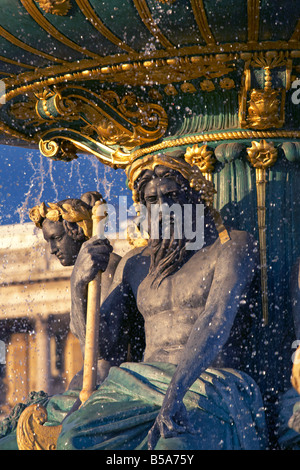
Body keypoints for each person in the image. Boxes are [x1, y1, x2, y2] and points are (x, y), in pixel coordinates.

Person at [54, 153, 267, 450]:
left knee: (172, 449)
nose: (163, 207)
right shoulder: (134, 264)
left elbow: (215, 320)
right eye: (152, 200)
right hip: (141, 384)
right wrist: (78, 283)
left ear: (195, 198)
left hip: (207, 383)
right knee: (72, 440)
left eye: (171, 195)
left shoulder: (231, 246)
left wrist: (175, 394)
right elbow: (101, 346)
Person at [28, 191, 126, 386]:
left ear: (76, 230)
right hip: (90, 381)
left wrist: (76, 284)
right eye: (48, 241)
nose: (52, 249)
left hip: (108, 384)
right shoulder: (89, 274)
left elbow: (99, 348)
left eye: (56, 238)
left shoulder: (107, 268)